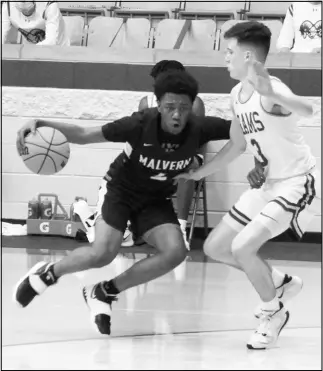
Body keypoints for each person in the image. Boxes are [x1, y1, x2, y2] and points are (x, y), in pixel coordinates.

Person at [13, 70, 232, 336]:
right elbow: (84, 134)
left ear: (192, 109)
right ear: (158, 104)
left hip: (155, 200)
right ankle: (47, 273)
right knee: (103, 253)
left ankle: (104, 292)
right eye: (170, 107)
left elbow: (245, 130)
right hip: (120, 190)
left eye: (184, 108)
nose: (177, 114)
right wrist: (42, 121)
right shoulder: (139, 124)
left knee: (176, 251)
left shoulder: (201, 128)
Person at [176, 21, 320, 350]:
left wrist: (271, 92)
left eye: (229, 52)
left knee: (243, 247)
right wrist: (198, 173)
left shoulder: (271, 89)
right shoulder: (235, 95)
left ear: (249, 55)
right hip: (269, 183)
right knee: (214, 248)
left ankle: (273, 312)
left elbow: (307, 107)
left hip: (298, 183)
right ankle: (278, 281)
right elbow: (236, 146)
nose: (225, 58)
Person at [123, 59, 206, 249]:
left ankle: (181, 228)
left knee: (187, 167)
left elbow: (198, 138)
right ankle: (134, 225)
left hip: (187, 154)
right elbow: (140, 134)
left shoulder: (194, 103)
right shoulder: (147, 101)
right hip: (155, 155)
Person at [2, 1, 70, 46]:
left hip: (59, 49)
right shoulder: (7, 7)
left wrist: (33, 51)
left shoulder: (50, 5)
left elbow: (51, 41)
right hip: (30, 51)